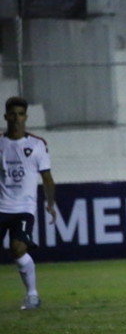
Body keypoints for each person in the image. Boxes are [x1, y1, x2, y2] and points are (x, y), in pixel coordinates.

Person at [1, 96, 56, 310]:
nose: (16, 118)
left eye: (20, 114)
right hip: (0, 206)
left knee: (18, 247)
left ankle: (32, 295)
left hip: (23, 208)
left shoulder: (37, 145)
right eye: (12, 114)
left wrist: (50, 205)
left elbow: (48, 178)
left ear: (26, 117)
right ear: (6, 117)